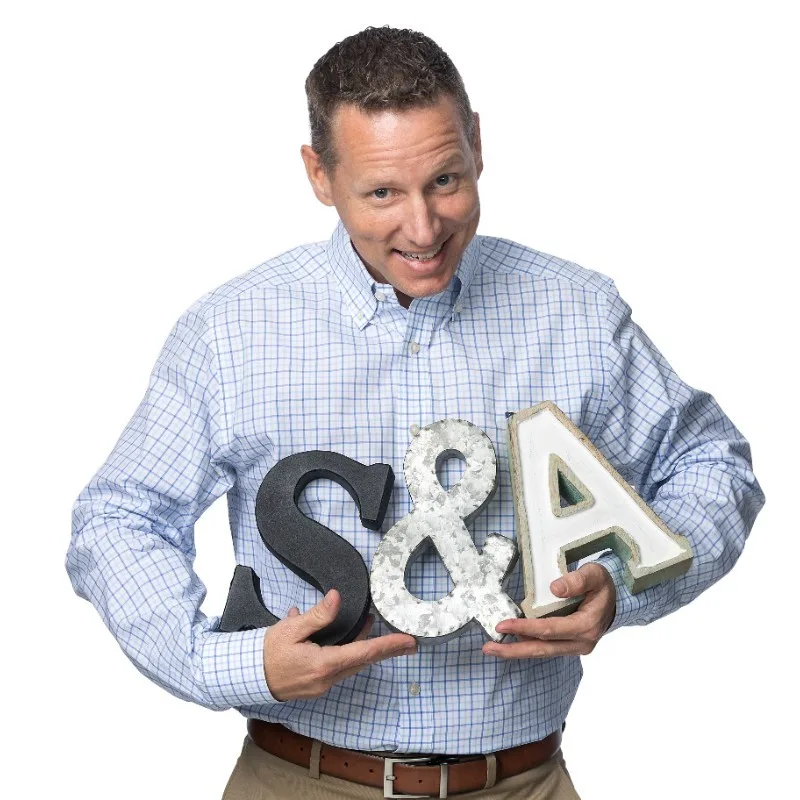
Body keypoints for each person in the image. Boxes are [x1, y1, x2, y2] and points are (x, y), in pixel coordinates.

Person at [67, 26, 765, 800]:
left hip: (522, 783)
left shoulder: (578, 313)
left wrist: (621, 585)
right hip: (296, 778)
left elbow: (714, 467)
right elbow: (118, 517)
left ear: (476, 144)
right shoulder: (232, 330)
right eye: (382, 193)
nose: (424, 229)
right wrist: (229, 662)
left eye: (445, 180)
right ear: (319, 175)